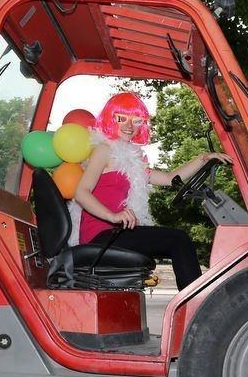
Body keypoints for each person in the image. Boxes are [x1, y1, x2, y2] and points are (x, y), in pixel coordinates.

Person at [74, 92, 231, 290]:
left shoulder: (132, 159)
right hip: (101, 235)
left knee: (177, 239)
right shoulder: (104, 150)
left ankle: (194, 300)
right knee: (178, 239)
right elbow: (81, 192)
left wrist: (203, 158)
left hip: (119, 232)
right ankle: (195, 304)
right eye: (121, 119)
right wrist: (112, 216)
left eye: (136, 120)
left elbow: (168, 178)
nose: (129, 126)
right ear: (110, 118)